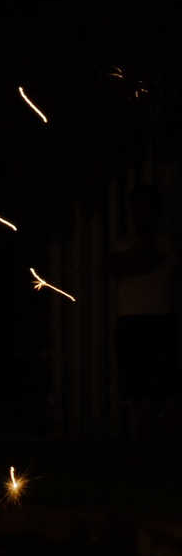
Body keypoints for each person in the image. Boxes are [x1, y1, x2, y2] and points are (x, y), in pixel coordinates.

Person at [111, 187, 172, 441]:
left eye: (145, 207)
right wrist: (139, 251)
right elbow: (114, 268)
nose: (140, 214)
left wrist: (129, 260)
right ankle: (145, 438)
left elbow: (136, 265)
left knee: (165, 383)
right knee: (137, 386)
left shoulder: (166, 241)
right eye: (136, 208)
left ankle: (169, 439)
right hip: (130, 319)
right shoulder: (123, 243)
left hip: (159, 318)